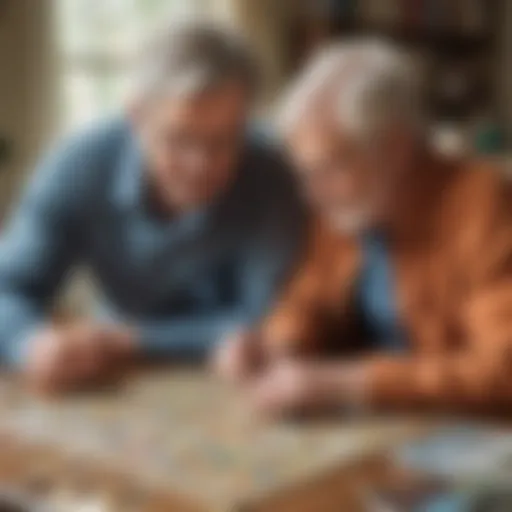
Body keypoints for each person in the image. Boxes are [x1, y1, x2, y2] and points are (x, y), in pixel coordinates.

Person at [0, 21, 305, 392]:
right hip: (110, 370)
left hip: (237, 375)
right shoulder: (78, 164)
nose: (200, 165)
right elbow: (8, 288)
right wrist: (31, 343)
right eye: (179, 139)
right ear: (136, 117)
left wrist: (132, 340)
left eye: (224, 141)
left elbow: (271, 316)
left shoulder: (272, 173)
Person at [243, 40, 512, 414]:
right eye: (304, 172)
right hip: (392, 422)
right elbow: (309, 297)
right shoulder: (347, 209)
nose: (310, 194)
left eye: (328, 168)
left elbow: (503, 370)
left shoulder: (483, 205)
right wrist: (278, 344)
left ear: (396, 147)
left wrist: (348, 384)